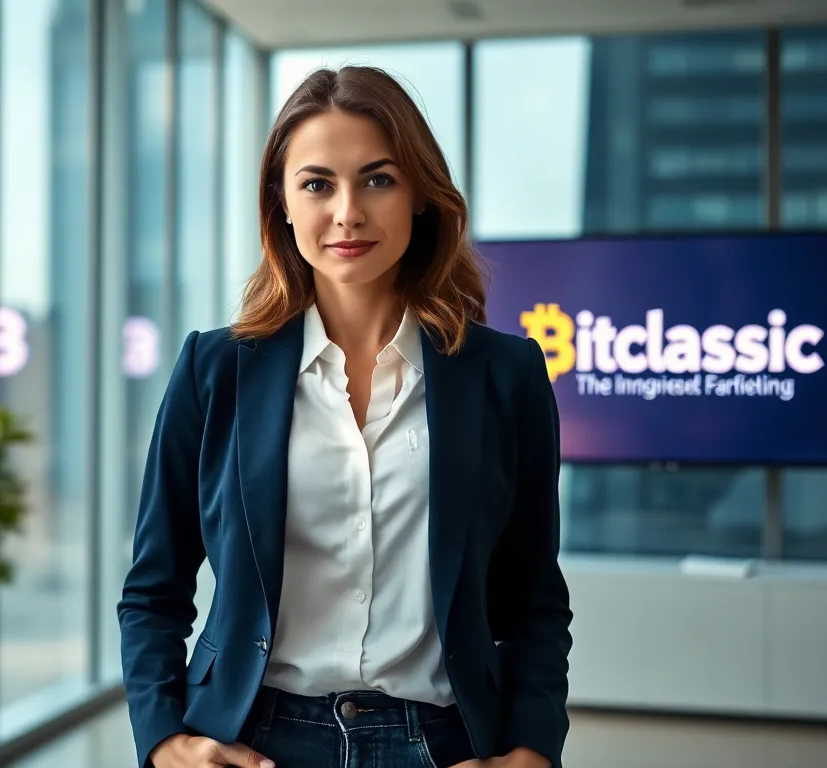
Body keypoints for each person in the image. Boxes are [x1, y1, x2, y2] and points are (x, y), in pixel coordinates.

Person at [118, 65, 573, 768]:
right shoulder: (214, 370)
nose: (348, 212)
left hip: (444, 742)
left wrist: (532, 749)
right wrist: (164, 739)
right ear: (283, 202)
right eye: (318, 184)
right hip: (251, 739)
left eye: (378, 179)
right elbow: (153, 588)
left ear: (421, 194)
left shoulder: (504, 376)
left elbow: (534, 597)